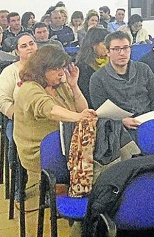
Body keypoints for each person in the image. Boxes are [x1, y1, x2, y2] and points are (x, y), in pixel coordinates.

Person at [13, 45, 96, 210]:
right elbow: (50, 110)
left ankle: (90, 199)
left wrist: (74, 85)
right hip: (41, 149)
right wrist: (79, 118)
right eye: (55, 68)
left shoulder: (60, 84)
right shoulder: (29, 88)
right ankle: (89, 205)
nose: (61, 72)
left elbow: (82, 108)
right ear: (41, 69)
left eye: (62, 67)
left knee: (101, 146)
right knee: (95, 159)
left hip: (66, 142)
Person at [89, 31, 154, 132]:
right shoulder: (97, 78)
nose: (122, 53)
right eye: (116, 49)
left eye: (125, 48)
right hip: (120, 130)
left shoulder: (143, 69)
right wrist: (121, 122)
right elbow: (102, 113)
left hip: (149, 123)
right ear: (108, 52)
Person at [0, 32, 37, 203]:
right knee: (16, 143)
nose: (29, 48)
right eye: (24, 46)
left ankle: (51, 187)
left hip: (44, 120)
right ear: (16, 51)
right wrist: (20, 117)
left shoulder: (47, 69)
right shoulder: (10, 72)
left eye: (32, 43)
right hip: (17, 120)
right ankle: (18, 187)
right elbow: (3, 101)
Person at [75, 27, 110, 108]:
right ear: (94, 45)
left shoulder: (112, 63)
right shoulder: (82, 68)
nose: (108, 47)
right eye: (105, 44)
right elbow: (86, 95)